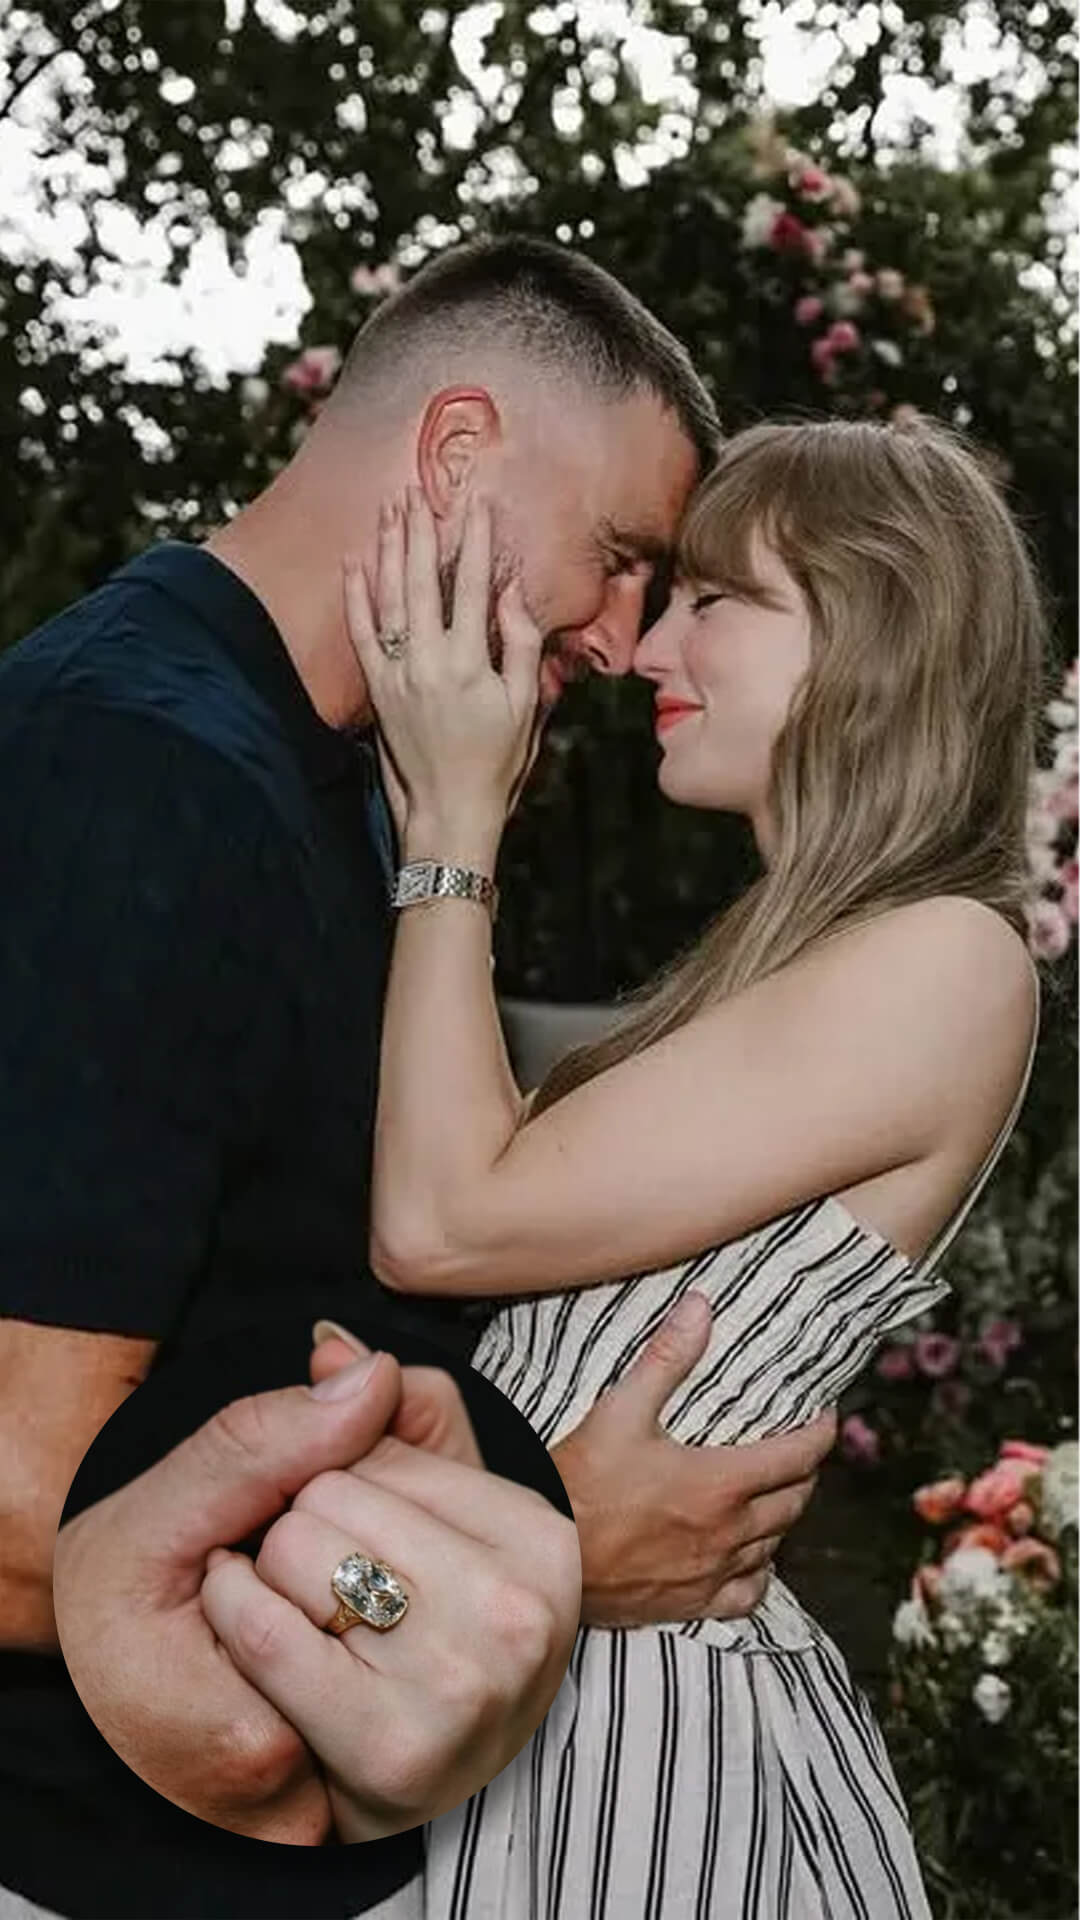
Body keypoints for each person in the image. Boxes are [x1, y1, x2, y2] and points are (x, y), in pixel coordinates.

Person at [0, 237, 833, 1913]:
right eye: (620, 560)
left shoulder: (331, 778)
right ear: (456, 452)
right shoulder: (140, 767)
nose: (627, 639)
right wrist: (554, 1534)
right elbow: (25, 1516)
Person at [327, 416, 1043, 1917]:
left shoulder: (948, 960)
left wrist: (455, 824)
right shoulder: (785, 963)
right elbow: (474, 1170)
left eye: (716, 599)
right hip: (546, 1687)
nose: (651, 648)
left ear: (874, 632)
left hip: (641, 1742)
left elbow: (441, 1219)